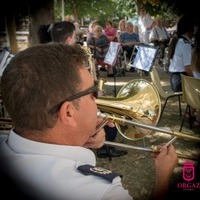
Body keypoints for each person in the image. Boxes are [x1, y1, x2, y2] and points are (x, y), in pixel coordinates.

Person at [0, 43, 178, 200]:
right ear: (68, 113)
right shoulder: (101, 193)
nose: (99, 100)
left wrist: (78, 138)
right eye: (93, 93)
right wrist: (163, 177)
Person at [168, 15, 195, 92]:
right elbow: (188, 69)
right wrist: (196, 80)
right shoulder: (185, 44)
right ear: (190, 30)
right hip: (180, 82)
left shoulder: (177, 41)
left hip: (174, 80)